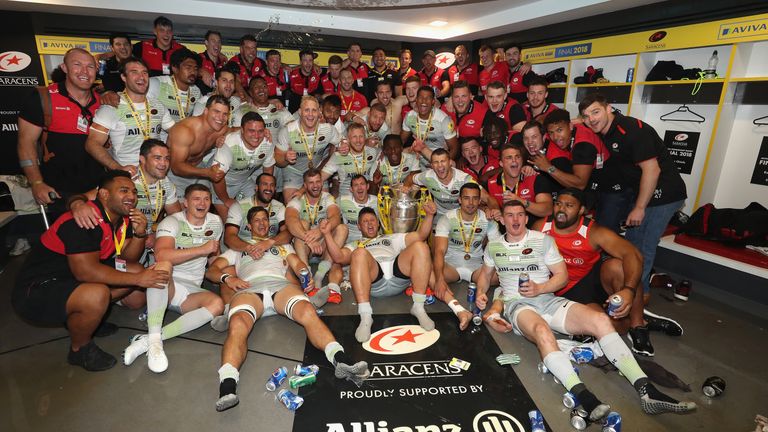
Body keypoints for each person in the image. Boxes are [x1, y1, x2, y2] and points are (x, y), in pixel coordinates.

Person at [476, 200, 696, 417]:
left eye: (519, 214)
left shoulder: (543, 240)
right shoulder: (494, 246)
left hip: (547, 300)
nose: (515, 219)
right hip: (518, 305)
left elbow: (562, 277)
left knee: (601, 321)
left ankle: (647, 391)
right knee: (542, 331)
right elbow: (485, 275)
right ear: (503, 220)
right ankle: (585, 398)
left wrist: (540, 288)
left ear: (526, 218)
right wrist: (480, 293)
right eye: (510, 215)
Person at [207, 206, 370, 412]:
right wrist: (227, 278)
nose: (261, 223)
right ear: (248, 226)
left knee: (307, 312)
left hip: (280, 286)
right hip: (250, 288)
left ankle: (341, 360)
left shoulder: (282, 246)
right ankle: (227, 386)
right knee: (238, 324)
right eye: (256, 220)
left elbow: (298, 264)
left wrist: (305, 274)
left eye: (265, 219)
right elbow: (212, 270)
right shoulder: (238, 249)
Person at [12, 170, 168, 371]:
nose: (131, 196)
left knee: (133, 274)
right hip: (37, 289)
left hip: (70, 277)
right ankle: (80, 349)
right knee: (97, 295)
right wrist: (139, 279)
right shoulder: (86, 219)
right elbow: (85, 273)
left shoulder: (121, 218)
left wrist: (140, 234)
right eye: (123, 190)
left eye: (133, 192)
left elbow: (128, 259)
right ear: (103, 194)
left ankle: (87, 316)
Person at [533, 188, 683, 356]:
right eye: (558, 204)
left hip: (591, 279)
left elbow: (633, 255)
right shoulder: (541, 226)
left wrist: (628, 290)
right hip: (567, 289)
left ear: (581, 210)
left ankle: (638, 325)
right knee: (606, 326)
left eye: (569, 205)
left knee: (620, 267)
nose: (561, 209)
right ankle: (640, 318)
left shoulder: (594, 231)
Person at [579, 93, 687, 304]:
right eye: (586, 115)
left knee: (643, 245)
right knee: (631, 245)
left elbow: (652, 170)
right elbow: (583, 121)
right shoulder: (602, 128)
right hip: (644, 193)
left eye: (595, 112)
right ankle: (633, 289)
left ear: (609, 108)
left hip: (664, 193)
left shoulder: (632, 130)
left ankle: (638, 296)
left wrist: (639, 207)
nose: (591, 119)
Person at [123, 184, 225, 373]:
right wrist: (202, 249)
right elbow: (161, 255)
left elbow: (213, 257)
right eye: (196, 199)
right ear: (185, 203)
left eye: (206, 199)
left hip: (191, 290)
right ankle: (155, 342)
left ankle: (151, 340)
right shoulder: (171, 222)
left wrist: (226, 273)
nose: (202, 203)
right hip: (166, 286)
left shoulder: (216, 222)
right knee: (163, 265)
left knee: (217, 304)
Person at [322, 204, 436, 342]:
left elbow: (420, 235)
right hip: (375, 281)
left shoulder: (392, 237)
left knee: (421, 246)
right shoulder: (354, 244)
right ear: (359, 226)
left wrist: (429, 216)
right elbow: (339, 257)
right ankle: (365, 316)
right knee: (359, 253)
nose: (369, 224)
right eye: (365, 221)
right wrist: (327, 234)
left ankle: (418, 307)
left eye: (372, 220)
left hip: (398, 276)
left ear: (378, 223)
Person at [17, 48, 103, 215]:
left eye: (90, 66)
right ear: (64, 68)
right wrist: (36, 183)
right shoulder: (43, 97)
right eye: (77, 65)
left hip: (97, 191)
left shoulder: (104, 103)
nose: (84, 71)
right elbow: (25, 143)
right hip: (58, 192)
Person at [86, 57, 175, 174]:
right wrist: (117, 168)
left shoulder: (158, 105)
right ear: (123, 77)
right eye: (134, 72)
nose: (141, 77)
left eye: (144, 72)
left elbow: (177, 133)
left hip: (156, 177)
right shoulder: (112, 106)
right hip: (127, 179)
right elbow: (92, 144)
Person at [432, 183, 500, 329]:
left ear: (480, 200)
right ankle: (460, 310)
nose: (470, 203)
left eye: (475, 198)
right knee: (429, 275)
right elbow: (439, 251)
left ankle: (495, 310)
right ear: (459, 200)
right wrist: (439, 279)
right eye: (466, 198)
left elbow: (496, 249)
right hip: (451, 265)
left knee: (504, 276)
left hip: (477, 267)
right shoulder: (447, 218)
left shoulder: (488, 220)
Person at [285, 169, 348, 303]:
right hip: (305, 247)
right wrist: (309, 240)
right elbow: (290, 222)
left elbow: (335, 217)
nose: (315, 186)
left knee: (342, 228)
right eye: (311, 182)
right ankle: (307, 277)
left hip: (323, 246)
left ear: (322, 182)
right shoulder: (297, 200)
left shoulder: (327, 198)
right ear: (305, 185)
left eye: (318, 181)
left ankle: (319, 275)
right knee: (302, 223)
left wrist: (320, 232)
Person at [275, 96, 340, 202]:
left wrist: (342, 147)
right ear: (300, 112)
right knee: (293, 205)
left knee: (323, 206)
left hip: (317, 172)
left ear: (319, 112)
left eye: (314, 110)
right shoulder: (287, 131)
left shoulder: (328, 129)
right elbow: (277, 159)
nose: (310, 114)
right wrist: (285, 158)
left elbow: (342, 145)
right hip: (294, 172)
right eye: (307, 110)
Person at [210, 111, 275, 216]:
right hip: (223, 184)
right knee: (229, 220)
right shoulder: (229, 144)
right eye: (251, 131)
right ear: (242, 130)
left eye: (260, 131)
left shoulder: (267, 141)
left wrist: (265, 190)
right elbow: (216, 177)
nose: (256, 136)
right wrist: (226, 200)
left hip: (245, 181)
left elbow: (268, 169)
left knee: (258, 214)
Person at [166, 94, 231, 199]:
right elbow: (176, 167)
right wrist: (206, 173)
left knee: (202, 208)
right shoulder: (185, 131)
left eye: (225, 114)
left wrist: (264, 131)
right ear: (205, 111)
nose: (221, 118)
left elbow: (239, 131)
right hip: (177, 176)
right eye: (216, 112)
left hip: (200, 170)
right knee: (181, 213)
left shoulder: (221, 129)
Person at [405, 149, 496, 219]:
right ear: (432, 165)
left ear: (450, 163)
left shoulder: (463, 179)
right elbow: (410, 178)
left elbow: (487, 198)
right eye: (436, 162)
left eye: (443, 161)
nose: (440, 166)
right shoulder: (428, 176)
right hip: (439, 216)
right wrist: (406, 188)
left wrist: (495, 210)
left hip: (460, 216)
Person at [485, 143, 554, 219]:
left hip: (532, 228)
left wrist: (521, 202)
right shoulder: (490, 183)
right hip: (504, 229)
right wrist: (486, 210)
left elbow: (548, 209)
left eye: (517, 157)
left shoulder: (536, 178)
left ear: (522, 161)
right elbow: (477, 203)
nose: (514, 161)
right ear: (501, 163)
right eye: (509, 157)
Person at [401, 86, 458, 167]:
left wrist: (440, 164)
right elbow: (401, 140)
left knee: (452, 164)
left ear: (433, 101)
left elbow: (454, 148)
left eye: (428, 98)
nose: (424, 101)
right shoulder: (410, 116)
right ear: (416, 100)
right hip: (418, 155)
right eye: (421, 97)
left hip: (438, 157)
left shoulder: (443, 119)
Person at [321, 123, 380, 196]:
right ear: (348, 139)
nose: (358, 140)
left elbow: (387, 152)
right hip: (346, 202)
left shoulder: (373, 152)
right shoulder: (338, 156)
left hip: (368, 201)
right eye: (354, 137)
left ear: (365, 137)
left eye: (361, 136)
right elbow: (320, 179)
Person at [147, 48, 202, 123]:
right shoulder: (156, 84)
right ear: (175, 68)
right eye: (188, 67)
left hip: (183, 133)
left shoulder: (196, 91)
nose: (193, 72)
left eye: (195, 68)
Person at [339, 174, 379, 242]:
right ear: (351, 189)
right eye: (356, 185)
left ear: (367, 186)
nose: (359, 187)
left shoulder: (378, 201)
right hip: (350, 242)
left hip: (373, 241)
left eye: (362, 184)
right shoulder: (342, 201)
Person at [227, 34, 267, 98]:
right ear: (241, 49)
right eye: (248, 48)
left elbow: (271, 66)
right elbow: (237, 83)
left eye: (254, 48)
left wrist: (283, 65)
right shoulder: (233, 63)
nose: (252, 52)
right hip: (238, 98)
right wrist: (248, 100)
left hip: (255, 98)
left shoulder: (260, 63)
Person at [288, 48, 323, 113]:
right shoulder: (291, 75)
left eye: (310, 60)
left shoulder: (318, 74)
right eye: (305, 60)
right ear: (301, 62)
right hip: (295, 113)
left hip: (311, 113)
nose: (308, 64)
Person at [197, 30, 228, 95]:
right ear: (206, 43)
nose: (217, 44)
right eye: (213, 41)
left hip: (219, 100)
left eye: (219, 42)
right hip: (201, 100)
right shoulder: (199, 58)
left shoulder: (224, 63)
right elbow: (189, 69)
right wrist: (201, 71)